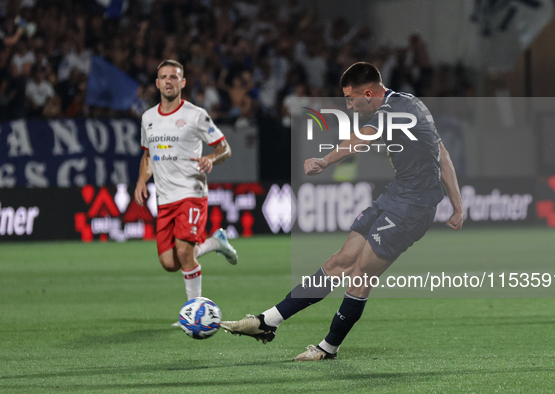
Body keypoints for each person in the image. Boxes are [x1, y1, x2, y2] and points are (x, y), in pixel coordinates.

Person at [221, 62, 464, 360]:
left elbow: (362, 139)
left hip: (414, 206)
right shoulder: (409, 104)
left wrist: (325, 160)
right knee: (340, 262)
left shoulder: (394, 111)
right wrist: (457, 204)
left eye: (350, 99)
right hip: (397, 194)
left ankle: (328, 348)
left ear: (368, 92)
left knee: (360, 275)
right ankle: (267, 321)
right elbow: (442, 152)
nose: (348, 105)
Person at [134, 60, 238, 324]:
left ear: (182, 83)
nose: (168, 81)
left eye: (174, 77)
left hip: (192, 192)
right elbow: (148, 155)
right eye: (163, 77)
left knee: (183, 252)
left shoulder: (196, 115)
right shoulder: (148, 118)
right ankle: (216, 243)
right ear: (157, 84)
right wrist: (141, 181)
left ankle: (194, 313)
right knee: (169, 263)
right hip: (165, 198)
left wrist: (212, 159)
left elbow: (225, 148)